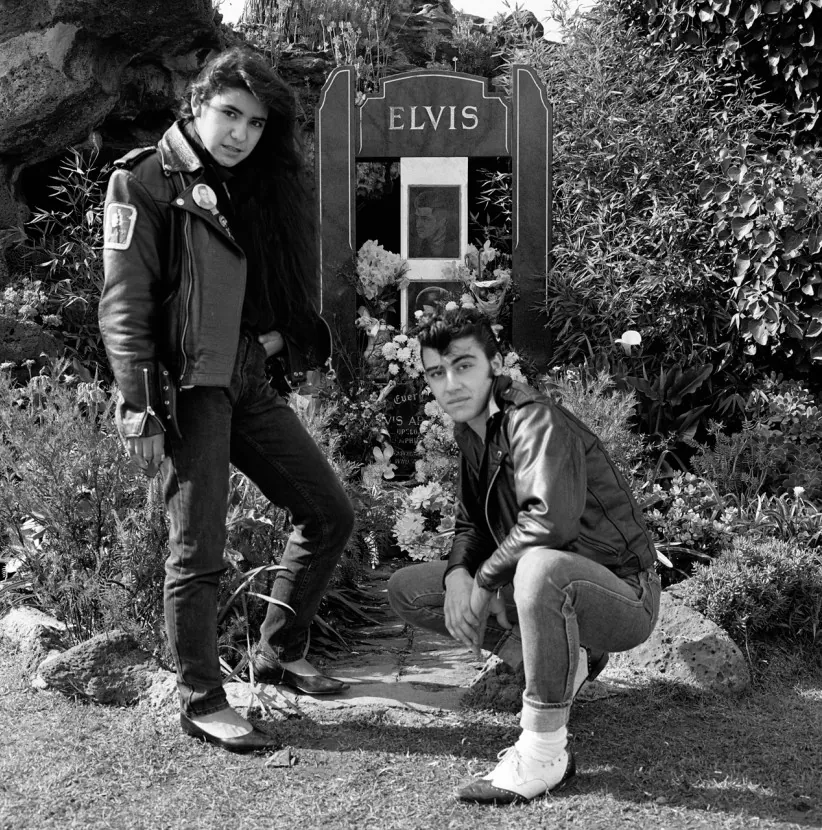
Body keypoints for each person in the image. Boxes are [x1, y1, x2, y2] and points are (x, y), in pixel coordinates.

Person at [99, 47, 354, 754]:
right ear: (198, 103)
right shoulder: (145, 182)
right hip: (186, 392)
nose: (241, 132)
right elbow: (124, 305)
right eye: (230, 114)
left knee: (328, 510)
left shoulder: (253, 184)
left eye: (256, 122)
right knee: (197, 546)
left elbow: (266, 281)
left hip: (243, 379)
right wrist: (139, 407)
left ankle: (279, 649)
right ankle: (202, 699)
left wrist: (273, 344)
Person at [387, 306, 661, 803]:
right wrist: (456, 577)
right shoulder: (471, 429)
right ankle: (562, 662)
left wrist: (487, 580)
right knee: (410, 588)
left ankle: (544, 750)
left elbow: (548, 522)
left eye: (463, 365)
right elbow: (472, 522)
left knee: (536, 568)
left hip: (621, 593)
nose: (449, 384)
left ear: (494, 365)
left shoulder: (533, 419)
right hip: (547, 582)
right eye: (435, 372)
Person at [410, 189, 459, 258]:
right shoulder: (423, 245)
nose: (418, 225)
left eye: (425, 219)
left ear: (442, 221)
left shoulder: (457, 248)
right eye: (417, 218)